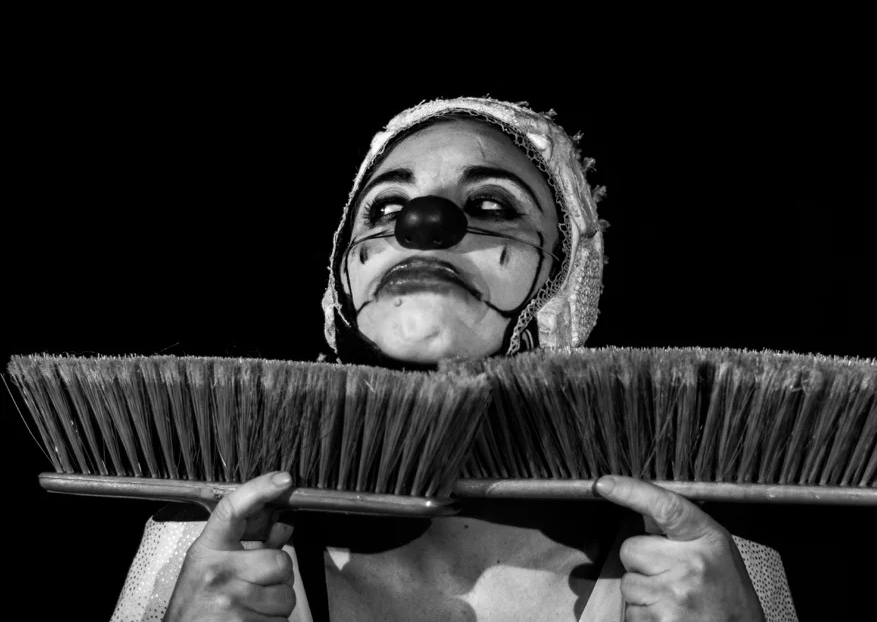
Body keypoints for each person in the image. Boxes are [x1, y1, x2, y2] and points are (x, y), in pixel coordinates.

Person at [111, 97, 799, 621]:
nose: (424, 226)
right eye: (387, 207)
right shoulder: (217, 534)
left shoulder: (690, 548)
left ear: (566, 279)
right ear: (342, 278)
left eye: (492, 204)